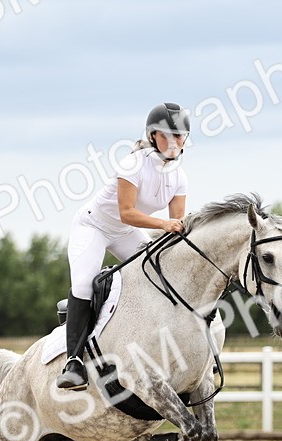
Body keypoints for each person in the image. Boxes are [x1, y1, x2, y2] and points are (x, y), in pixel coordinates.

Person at [55, 102, 191, 391]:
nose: (174, 142)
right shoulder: (133, 165)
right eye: (168, 135)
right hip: (94, 227)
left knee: (156, 275)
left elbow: (176, 224)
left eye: (180, 137)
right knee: (83, 284)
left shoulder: (179, 176)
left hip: (125, 232)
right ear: (153, 136)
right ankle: (74, 362)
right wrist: (165, 226)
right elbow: (127, 212)